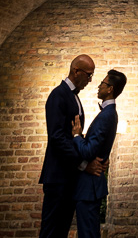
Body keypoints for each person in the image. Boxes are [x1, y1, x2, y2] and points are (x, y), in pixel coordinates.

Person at [37, 54, 94, 238]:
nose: (90, 80)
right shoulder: (58, 95)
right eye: (88, 74)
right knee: (51, 232)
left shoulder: (73, 96)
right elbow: (57, 138)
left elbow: (73, 135)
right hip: (58, 177)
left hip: (68, 177)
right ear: (76, 71)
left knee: (61, 231)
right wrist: (83, 164)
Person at [71, 69, 125, 238]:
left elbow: (89, 151)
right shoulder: (110, 114)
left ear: (110, 89)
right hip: (92, 185)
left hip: (89, 186)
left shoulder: (106, 116)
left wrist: (77, 136)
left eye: (102, 83)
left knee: (87, 234)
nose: (98, 86)